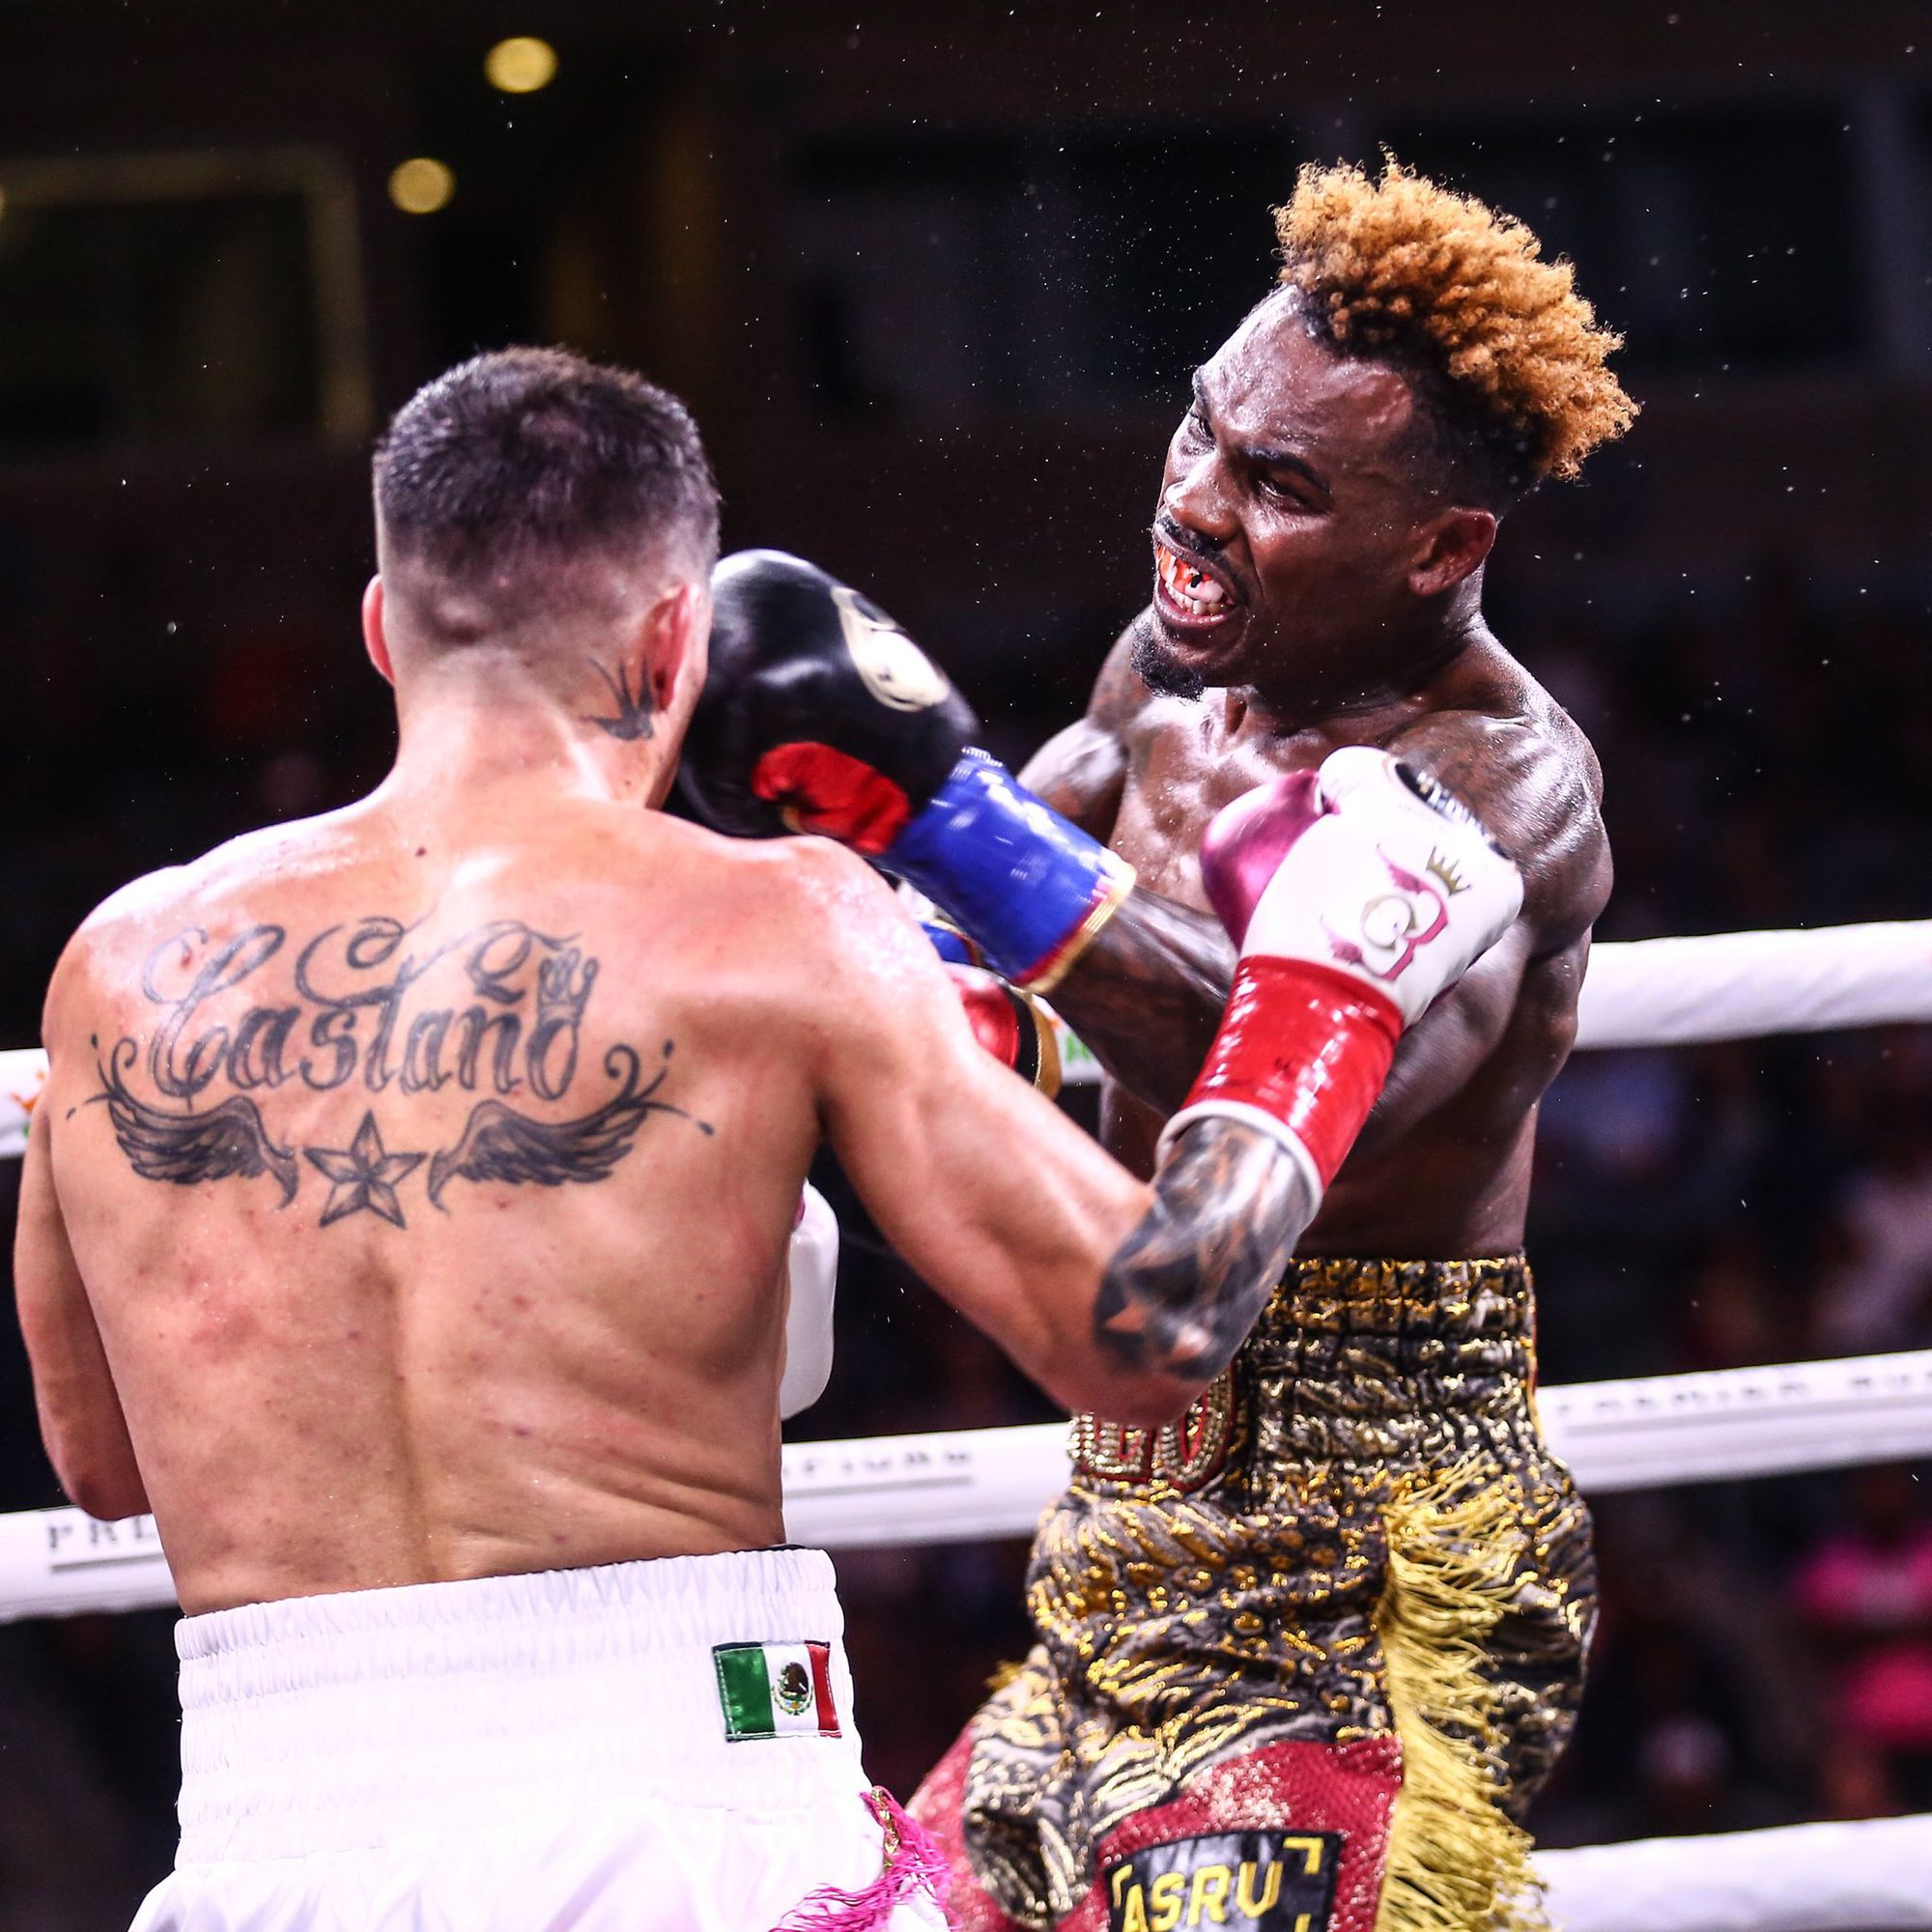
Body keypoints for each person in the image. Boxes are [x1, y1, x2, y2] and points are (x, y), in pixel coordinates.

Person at [14, 346, 1520, 1931]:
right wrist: (1316, 998)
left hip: (266, 1844)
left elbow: (105, 1463)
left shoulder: (119, 962)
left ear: (385, 632)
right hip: (681, 1825)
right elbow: (1150, 1330)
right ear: (681, 640)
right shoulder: (777, 919)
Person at [681, 159, 1634, 1932]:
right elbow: (975, 1020)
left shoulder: (1501, 789)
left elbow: (1287, 1131)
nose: (1195, 502)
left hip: (1375, 1549)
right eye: (1200, 429)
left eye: (1278, 484)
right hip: (1128, 1533)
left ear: (1443, 548)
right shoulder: (1163, 682)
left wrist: (948, 820)